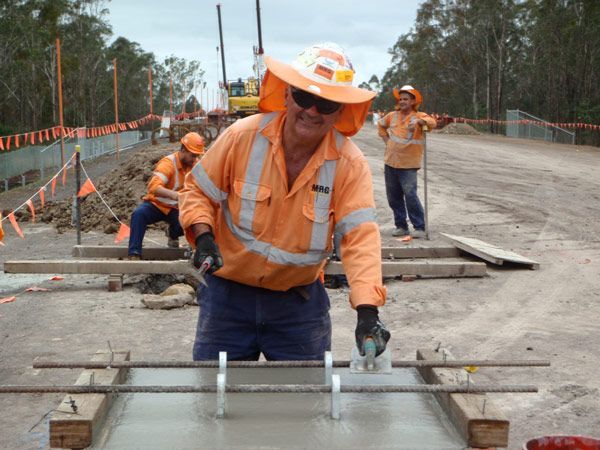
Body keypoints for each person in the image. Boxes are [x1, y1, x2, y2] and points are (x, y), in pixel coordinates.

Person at [179, 42, 390, 361]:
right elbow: (198, 191)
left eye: (326, 104)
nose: (312, 111)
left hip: (298, 306)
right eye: (305, 97)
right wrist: (204, 237)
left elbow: (359, 238)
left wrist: (368, 311)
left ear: (341, 111)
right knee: (214, 399)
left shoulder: (350, 164)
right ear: (287, 94)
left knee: (305, 405)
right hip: (227, 298)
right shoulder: (242, 137)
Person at [127, 132, 204, 259]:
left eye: (197, 156)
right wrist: (176, 196)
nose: (195, 159)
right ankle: (134, 253)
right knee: (138, 215)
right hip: (157, 205)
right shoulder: (168, 163)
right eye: (193, 155)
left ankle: (172, 234)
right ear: (183, 150)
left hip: (176, 209)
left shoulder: (194, 165)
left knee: (189, 222)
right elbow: (153, 187)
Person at [377, 85, 436, 238]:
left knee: (410, 195)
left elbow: (432, 122)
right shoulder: (392, 115)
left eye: (406, 99)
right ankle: (401, 226)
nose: (402, 101)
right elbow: (381, 125)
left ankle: (420, 227)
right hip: (391, 162)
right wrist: (387, 140)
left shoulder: (419, 116)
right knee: (393, 197)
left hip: (408, 165)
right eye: (400, 99)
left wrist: (420, 123)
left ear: (412, 101)